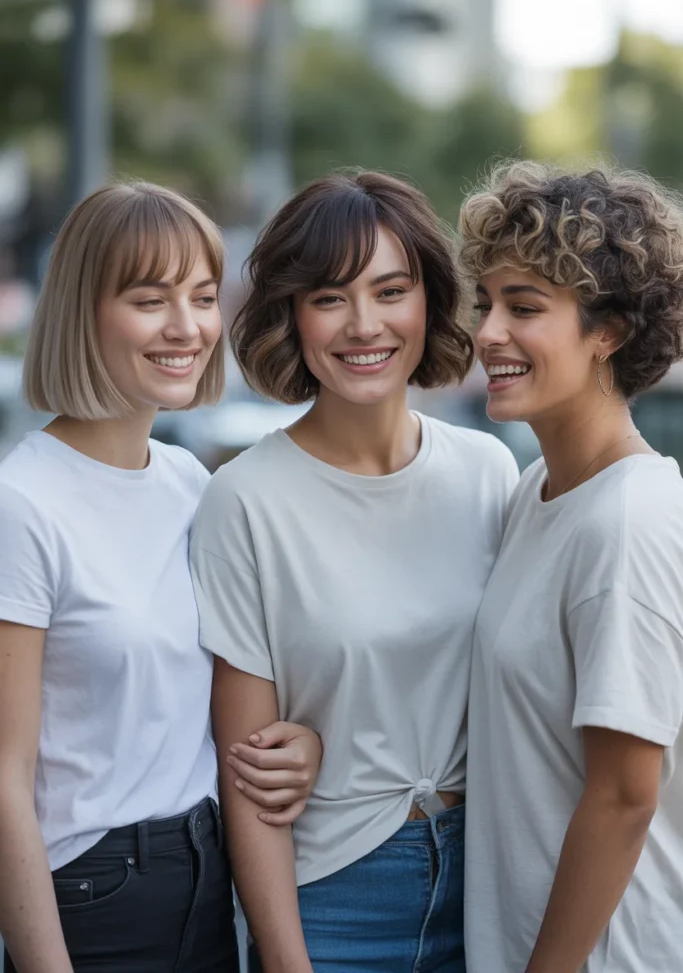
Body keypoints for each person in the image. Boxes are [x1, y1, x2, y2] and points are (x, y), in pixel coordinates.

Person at [190, 170, 519, 973]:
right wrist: (286, 959)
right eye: (329, 297)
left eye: (390, 289)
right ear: (293, 315)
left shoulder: (490, 471)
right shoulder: (244, 501)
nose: (363, 324)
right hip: (336, 897)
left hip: (493, 880)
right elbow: (249, 780)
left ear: (429, 302)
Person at [0, 181, 322, 973]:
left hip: (210, 881)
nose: (187, 327)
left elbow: (223, 700)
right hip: (88, 899)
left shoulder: (193, 485)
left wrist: (303, 744)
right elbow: (2, 779)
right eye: (151, 299)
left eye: (203, 296)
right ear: (84, 311)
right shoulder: (21, 505)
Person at [459, 160, 683, 973]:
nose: (487, 333)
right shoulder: (535, 493)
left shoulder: (629, 520)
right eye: (486, 304)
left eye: (524, 308)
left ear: (608, 332)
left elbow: (626, 795)